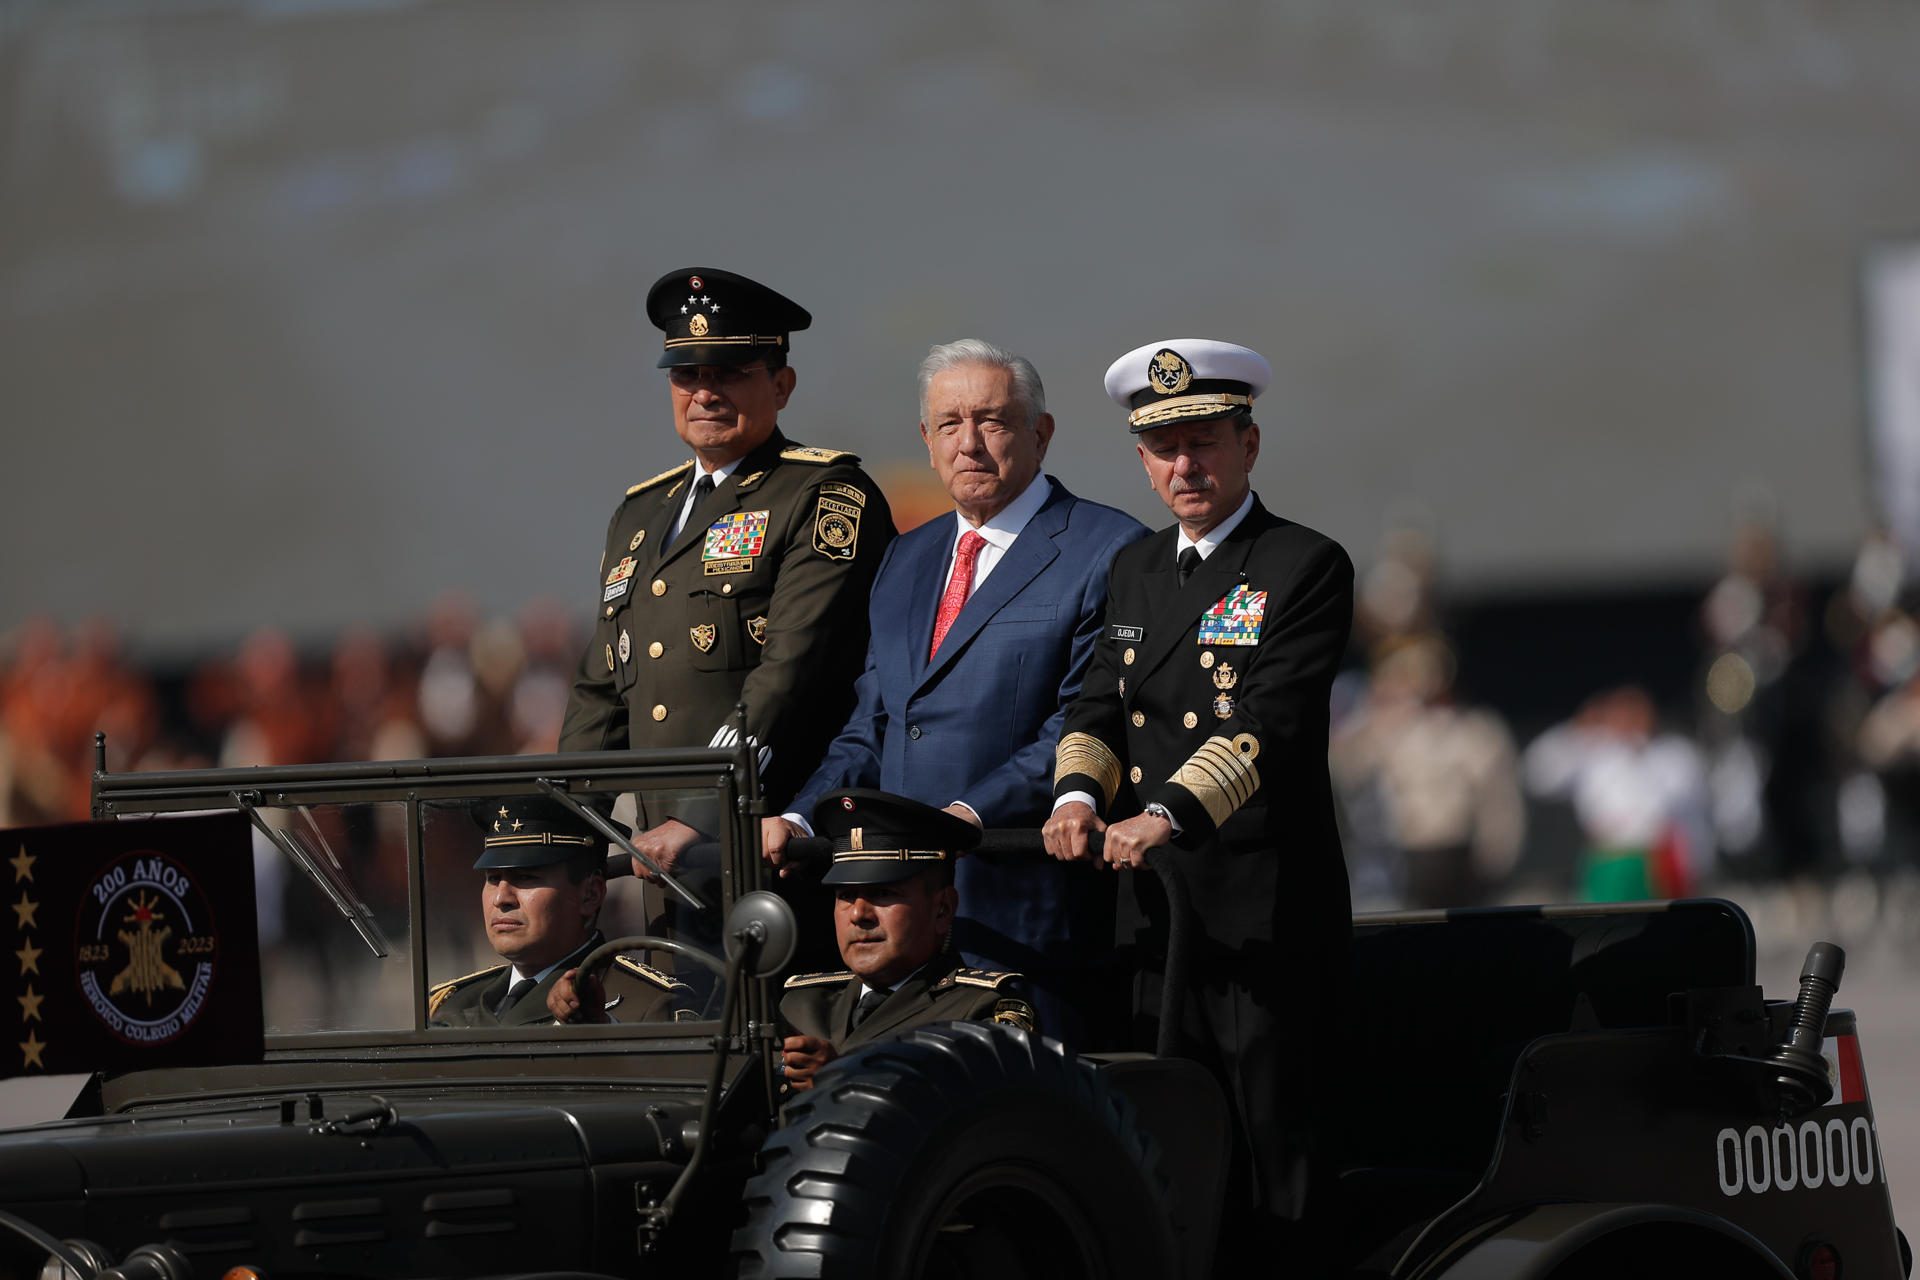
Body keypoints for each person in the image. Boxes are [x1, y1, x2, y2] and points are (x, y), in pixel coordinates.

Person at [1040, 339, 1354, 1259]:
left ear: (1248, 445)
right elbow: (1100, 702)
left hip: (1261, 919)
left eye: (1206, 442)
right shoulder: (1134, 568)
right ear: (1141, 460)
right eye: (1164, 450)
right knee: (1168, 1156)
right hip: (1153, 919)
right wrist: (1073, 797)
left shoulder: (1301, 564)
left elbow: (1270, 722)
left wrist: (1165, 813)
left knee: (1274, 1167)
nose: (1186, 467)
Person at [762, 339, 1146, 1042]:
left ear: (1042, 433)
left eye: (992, 421)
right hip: (907, 939)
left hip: (1027, 916)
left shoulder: (1110, 548)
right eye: (949, 424)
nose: (969, 443)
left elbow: (1083, 720)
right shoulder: (906, 558)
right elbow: (872, 723)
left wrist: (966, 815)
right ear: (927, 441)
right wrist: (802, 819)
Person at [558, 267, 894, 879]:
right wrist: (570, 831)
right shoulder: (639, 514)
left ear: (782, 384)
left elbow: (790, 673)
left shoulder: (822, 495)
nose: (705, 393)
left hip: (774, 845)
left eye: (729, 373)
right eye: (687, 375)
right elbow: (602, 692)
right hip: (663, 859)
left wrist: (696, 817)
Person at [778, 788, 1039, 1090]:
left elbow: (983, 1121)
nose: (859, 913)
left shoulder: (982, 1012)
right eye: (846, 896)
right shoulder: (799, 1006)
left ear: (942, 910)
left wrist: (842, 1079)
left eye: (883, 893)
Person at [428, 797, 692, 1027]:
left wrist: (600, 1026)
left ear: (591, 894)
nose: (501, 898)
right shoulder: (451, 1005)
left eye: (526, 877)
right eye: (493, 878)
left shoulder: (649, 1004)